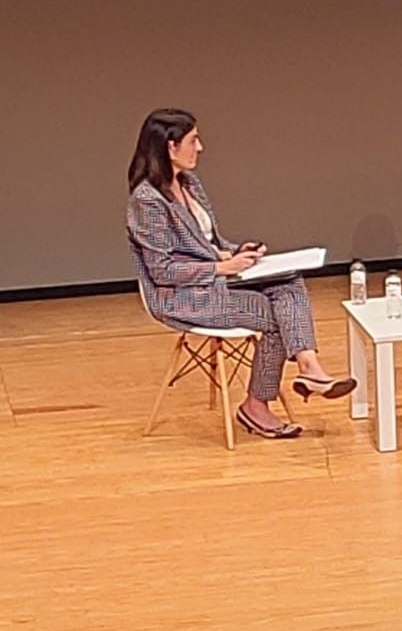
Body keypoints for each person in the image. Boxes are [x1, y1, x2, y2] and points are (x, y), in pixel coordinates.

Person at [125, 109, 356, 440]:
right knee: (276, 317)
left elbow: (207, 243)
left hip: (216, 280)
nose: (201, 147)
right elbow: (162, 270)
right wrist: (221, 267)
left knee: (289, 280)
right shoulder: (146, 201)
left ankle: (309, 367)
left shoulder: (190, 183)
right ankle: (257, 406)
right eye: (193, 140)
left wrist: (237, 253)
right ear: (170, 147)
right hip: (183, 296)